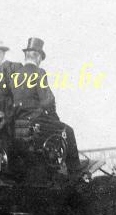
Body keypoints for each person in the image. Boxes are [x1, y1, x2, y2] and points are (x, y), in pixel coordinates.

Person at [10, 37, 81, 175]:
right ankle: (75, 173)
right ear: (37, 57)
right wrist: (56, 119)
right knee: (69, 131)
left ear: (26, 56)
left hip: (18, 123)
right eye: (40, 58)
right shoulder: (39, 72)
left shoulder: (15, 75)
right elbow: (47, 101)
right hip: (36, 122)